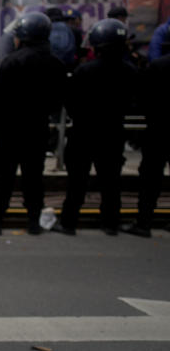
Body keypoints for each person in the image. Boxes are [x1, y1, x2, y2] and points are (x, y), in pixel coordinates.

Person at [0, 12, 66, 236]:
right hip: (37, 129)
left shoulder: (12, 61)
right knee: (34, 178)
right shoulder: (55, 63)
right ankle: (33, 222)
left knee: (2, 177)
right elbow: (58, 100)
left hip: (9, 130)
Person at [53, 18, 136, 235]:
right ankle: (110, 223)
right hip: (113, 132)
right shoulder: (130, 71)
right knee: (111, 182)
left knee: (77, 182)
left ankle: (69, 222)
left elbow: (70, 102)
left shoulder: (85, 71)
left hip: (84, 133)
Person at [123, 43, 170, 237]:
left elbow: (142, 97)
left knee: (150, 178)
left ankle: (144, 222)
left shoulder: (159, 65)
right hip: (159, 127)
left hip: (159, 129)